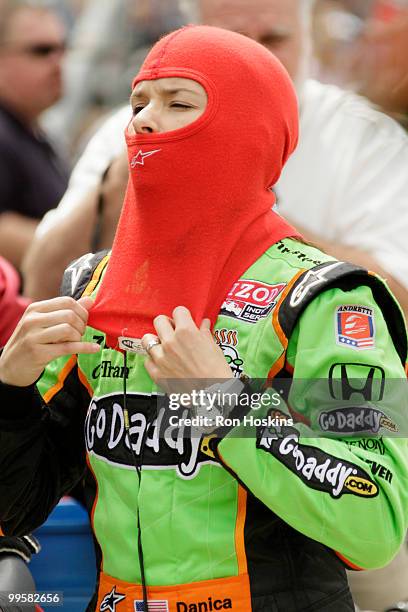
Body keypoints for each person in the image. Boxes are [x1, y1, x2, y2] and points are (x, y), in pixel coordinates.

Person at [1, 24, 407, 612]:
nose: (144, 120)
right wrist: (10, 394)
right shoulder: (90, 290)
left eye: (179, 103)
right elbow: (14, 509)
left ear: (248, 130)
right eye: (139, 102)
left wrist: (224, 402)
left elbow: (376, 524)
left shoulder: (332, 301)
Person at [22, 0, 408, 324]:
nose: (256, 57)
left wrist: (243, 213)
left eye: (275, 38)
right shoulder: (137, 126)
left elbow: (398, 305)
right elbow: (40, 288)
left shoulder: (365, 140)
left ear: (309, 38)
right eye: (232, 41)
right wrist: (120, 185)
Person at [0, 0, 69, 269]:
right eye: (41, 51)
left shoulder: (31, 131)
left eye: (63, 49)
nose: (58, 62)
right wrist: (83, 253)